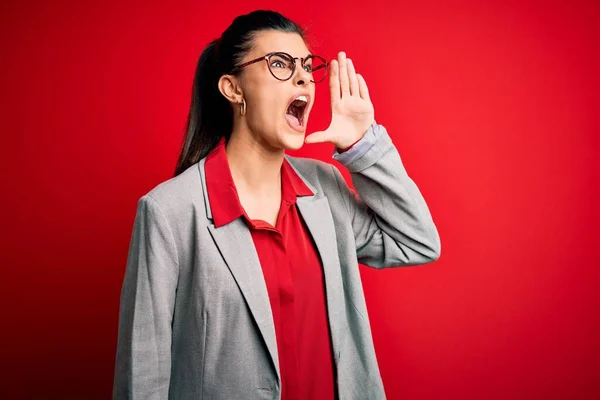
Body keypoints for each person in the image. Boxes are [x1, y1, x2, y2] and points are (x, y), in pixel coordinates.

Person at [112, 9, 441, 400]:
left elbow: (417, 242)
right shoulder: (168, 213)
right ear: (233, 89)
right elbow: (143, 379)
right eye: (280, 64)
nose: (303, 76)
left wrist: (361, 145)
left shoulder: (325, 188)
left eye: (305, 66)